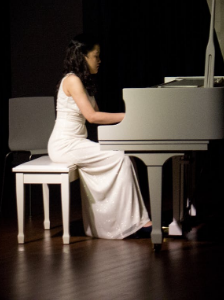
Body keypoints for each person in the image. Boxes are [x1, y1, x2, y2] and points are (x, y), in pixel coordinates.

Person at [48, 34, 152, 239]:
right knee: (121, 158)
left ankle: (129, 221)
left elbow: (98, 115)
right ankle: (134, 223)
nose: (99, 60)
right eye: (96, 56)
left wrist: (124, 125)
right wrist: (128, 115)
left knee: (124, 156)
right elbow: (92, 117)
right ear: (83, 57)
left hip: (77, 143)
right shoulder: (72, 80)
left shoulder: (83, 82)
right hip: (64, 144)